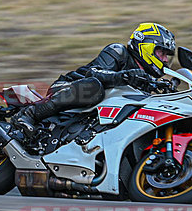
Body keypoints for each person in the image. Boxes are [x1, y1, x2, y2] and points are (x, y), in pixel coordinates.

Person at [12, 23, 176, 135]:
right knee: (94, 87)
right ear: (145, 46)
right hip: (68, 88)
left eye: (167, 56)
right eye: (162, 53)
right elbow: (94, 73)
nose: (165, 60)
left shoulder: (145, 80)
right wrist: (124, 77)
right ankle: (29, 114)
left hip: (92, 115)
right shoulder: (118, 52)